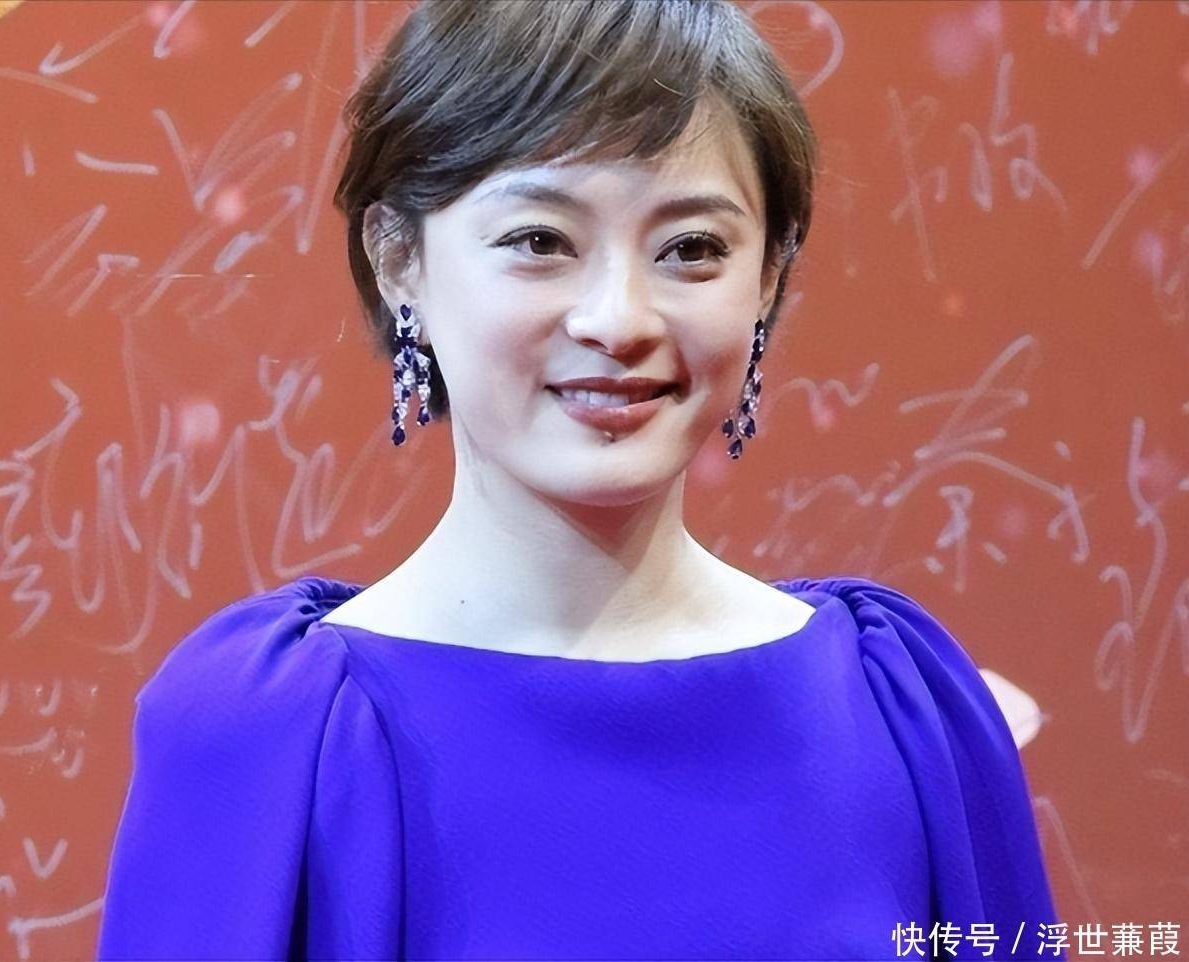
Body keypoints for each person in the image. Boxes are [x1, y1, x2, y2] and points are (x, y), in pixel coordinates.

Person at [96, 1, 1060, 959]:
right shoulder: (268, 734)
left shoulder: (902, 712)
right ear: (398, 259)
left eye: (691, 249)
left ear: (769, 274)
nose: (618, 319)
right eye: (540, 241)